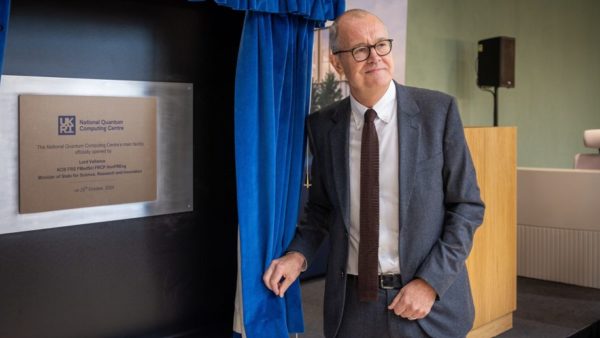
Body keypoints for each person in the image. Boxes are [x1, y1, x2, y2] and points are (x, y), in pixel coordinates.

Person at [263, 8, 485, 338]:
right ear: (338, 63)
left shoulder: (438, 113)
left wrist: (430, 283)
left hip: (426, 306)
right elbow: (322, 210)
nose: (375, 57)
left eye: (381, 45)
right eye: (360, 50)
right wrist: (297, 255)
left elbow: (466, 208)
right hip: (352, 308)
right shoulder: (323, 126)